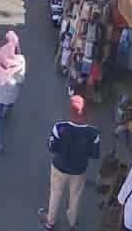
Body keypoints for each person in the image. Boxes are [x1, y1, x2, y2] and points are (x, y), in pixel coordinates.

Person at [38, 95, 101, 231]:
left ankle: (50, 222)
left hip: (59, 167)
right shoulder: (94, 133)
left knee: (55, 193)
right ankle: (72, 224)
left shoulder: (59, 127)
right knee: (75, 196)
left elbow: (51, 148)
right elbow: (94, 154)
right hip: (79, 170)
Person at [0, 31, 25, 153]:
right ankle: (6, 113)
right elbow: (21, 80)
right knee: (9, 105)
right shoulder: (20, 61)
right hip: (12, 95)